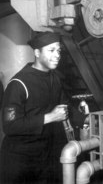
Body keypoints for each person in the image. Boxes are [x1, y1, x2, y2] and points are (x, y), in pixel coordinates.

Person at [0, 32, 85, 184]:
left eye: (59, 50)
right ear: (37, 53)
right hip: (20, 160)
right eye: (51, 50)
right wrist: (50, 117)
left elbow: (65, 107)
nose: (57, 55)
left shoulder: (55, 78)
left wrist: (88, 119)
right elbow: (10, 126)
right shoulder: (18, 84)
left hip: (45, 156)